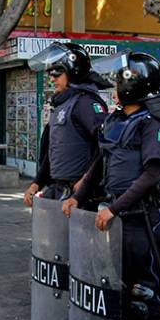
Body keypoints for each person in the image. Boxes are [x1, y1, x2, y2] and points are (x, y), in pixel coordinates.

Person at [63, 51, 160, 320]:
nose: (116, 86)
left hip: (147, 216)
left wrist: (113, 208)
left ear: (134, 84)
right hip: (120, 216)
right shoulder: (116, 120)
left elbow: (151, 174)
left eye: (121, 80)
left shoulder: (155, 122)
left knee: (146, 290)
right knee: (122, 285)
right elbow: (99, 164)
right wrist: (78, 196)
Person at [23, 42, 110, 206]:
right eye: (50, 73)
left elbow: (106, 147)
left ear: (73, 71)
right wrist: (37, 183)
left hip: (78, 193)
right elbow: (54, 150)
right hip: (59, 189)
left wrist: (86, 182)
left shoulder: (85, 103)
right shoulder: (62, 104)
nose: (52, 78)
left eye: (57, 73)